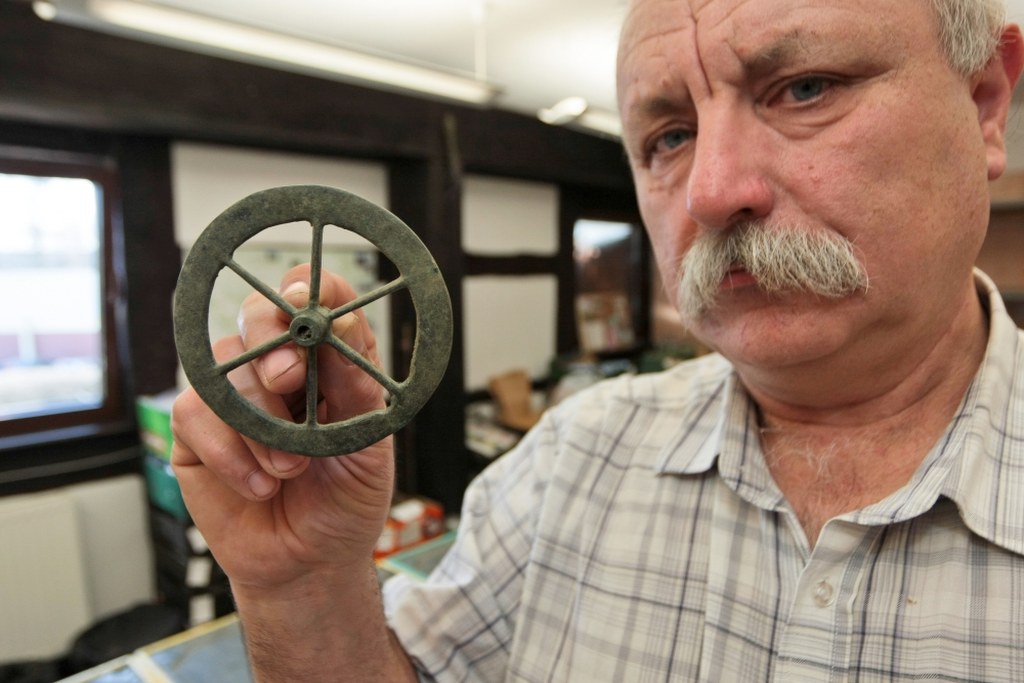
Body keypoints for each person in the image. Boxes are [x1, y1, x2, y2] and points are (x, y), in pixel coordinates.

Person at [171, 0, 1024, 679]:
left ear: (986, 102)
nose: (712, 192)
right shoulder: (568, 458)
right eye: (670, 137)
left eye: (805, 88)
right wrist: (307, 587)